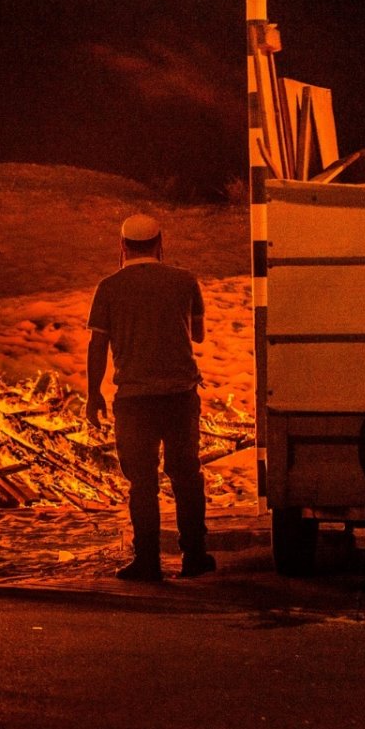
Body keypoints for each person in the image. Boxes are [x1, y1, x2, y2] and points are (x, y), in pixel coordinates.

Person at [85, 214, 213, 581]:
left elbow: (98, 345)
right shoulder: (185, 281)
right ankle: (194, 557)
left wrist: (94, 394)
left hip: (134, 399)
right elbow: (199, 336)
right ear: (161, 244)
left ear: (122, 247)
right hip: (179, 396)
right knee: (186, 475)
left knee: (142, 481)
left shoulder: (108, 287)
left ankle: (147, 562)